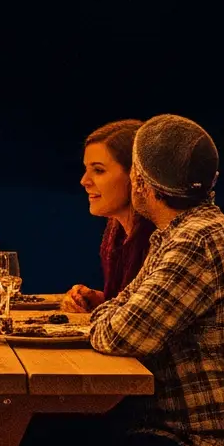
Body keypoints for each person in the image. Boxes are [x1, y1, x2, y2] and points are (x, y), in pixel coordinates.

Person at [9, 114, 224, 446]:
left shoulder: (194, 240)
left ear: (141, 180)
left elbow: (120, 331)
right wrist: (110, 310)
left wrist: (106, 312)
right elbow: (119, 309)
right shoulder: (174, 234)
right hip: (165, 429)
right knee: (34, 438)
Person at [61, 119, 149, 319]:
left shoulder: (160, 240)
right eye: (86, 169)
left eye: (98, 170)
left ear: (136, 175)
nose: (84, 181)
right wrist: (98, 300)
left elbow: (138, 326)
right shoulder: (116, 233)